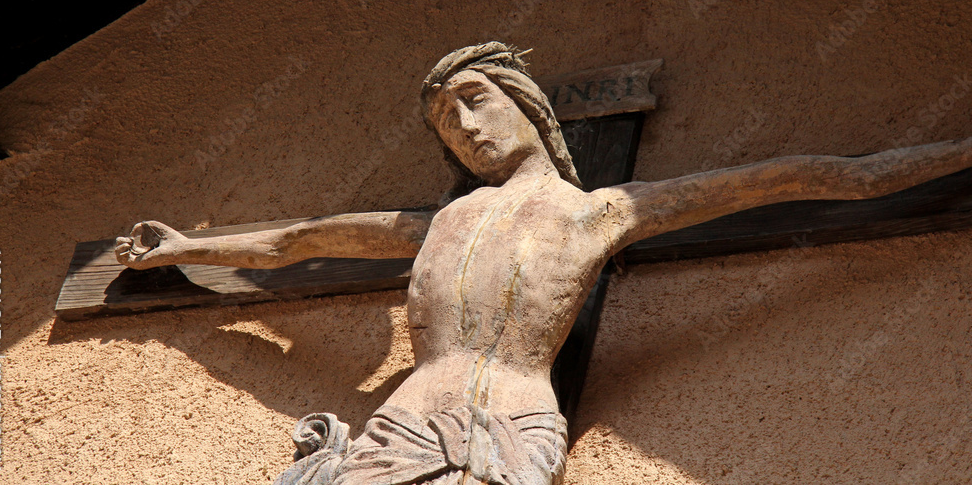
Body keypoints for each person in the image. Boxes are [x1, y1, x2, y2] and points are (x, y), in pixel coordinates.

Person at [115, 42, 972, 485]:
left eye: (474, 101)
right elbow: (296, 240)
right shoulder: (437, 222)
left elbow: (798, 177)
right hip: (402, 420)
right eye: (447, 123)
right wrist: (186, 248)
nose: (465, 127)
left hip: (513, 422)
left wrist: (951, 156)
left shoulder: (600, 212)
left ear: (525, 103)